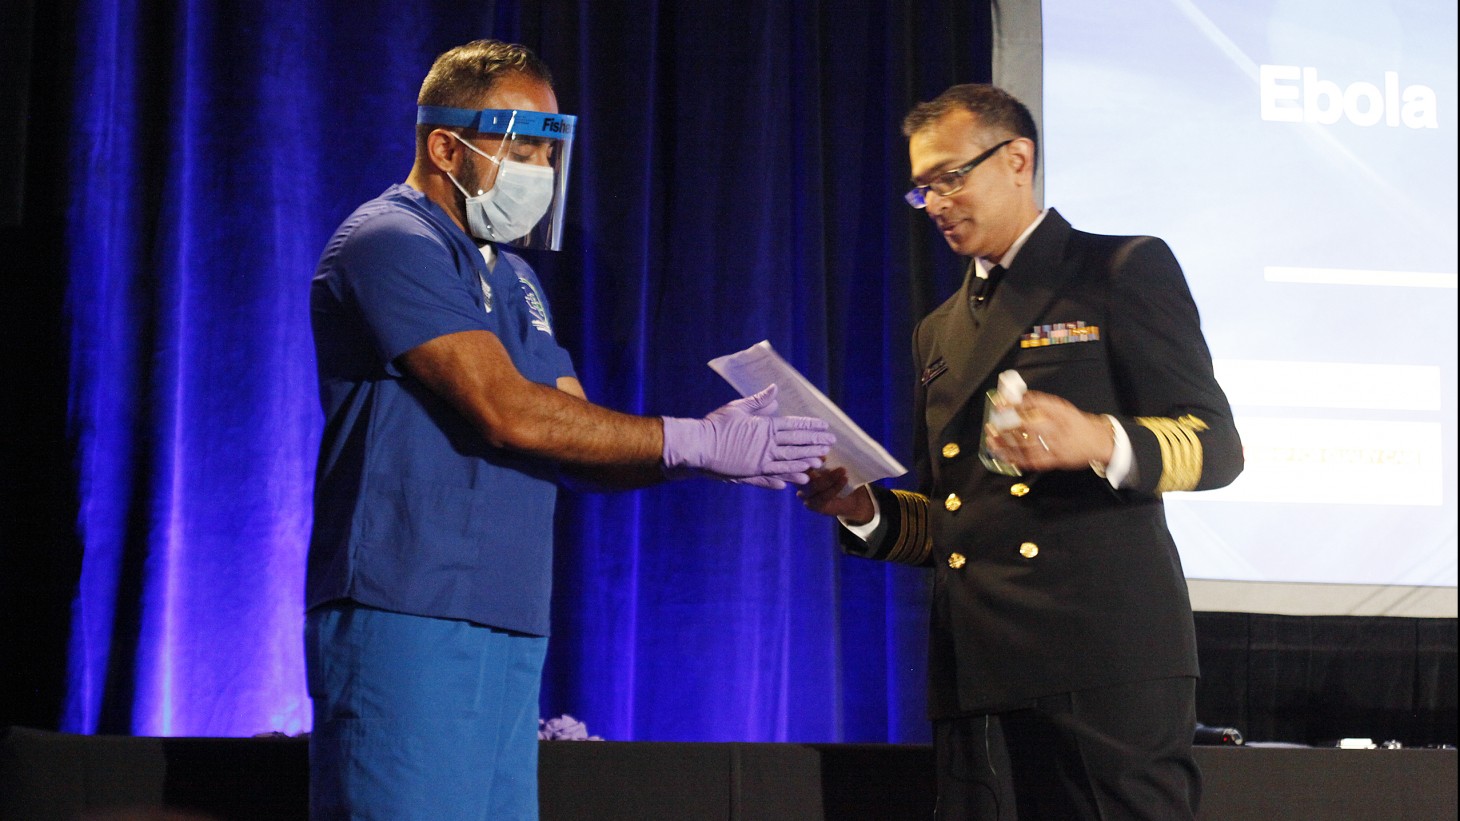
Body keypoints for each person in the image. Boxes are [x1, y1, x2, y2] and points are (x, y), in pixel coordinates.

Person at [305, 40, 833, 820]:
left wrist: (707, 452)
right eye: (519, 142)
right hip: (407, 604)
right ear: (446, 144)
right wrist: (688, 438)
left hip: (508, 610)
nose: (538, 167)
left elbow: (574, 433)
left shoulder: (513, 275)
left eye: (548, 146)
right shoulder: (390, 240)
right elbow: (506, 409)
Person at [799, 84, 1243, 820]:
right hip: (975, 665)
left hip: (1101, 660)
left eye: (950, 176)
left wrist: (1098, 438)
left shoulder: (1117, 270)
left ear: (1017, 159)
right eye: (922, 187)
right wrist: (864, 510)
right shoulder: (938, 332)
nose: (936, 201)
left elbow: (1217, 446)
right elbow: (956, 515)